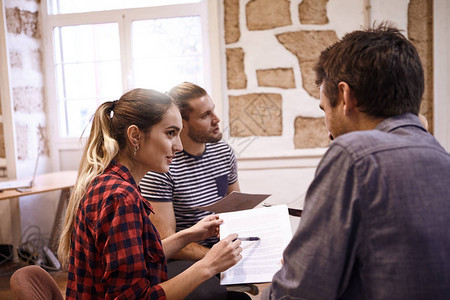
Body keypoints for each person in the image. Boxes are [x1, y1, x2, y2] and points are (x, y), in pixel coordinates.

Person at [262, 23, 450, 299]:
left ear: (346, 96)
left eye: (325, 109)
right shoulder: (441, 157)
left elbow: (299, 291)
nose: (328, 130)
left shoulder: (354, 154)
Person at [57, 88, 243, 299]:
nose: (179, 146)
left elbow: (139, 256)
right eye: (171, 133)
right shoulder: (121, 198)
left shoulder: (113, 183)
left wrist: (189, 234)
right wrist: (208, 266)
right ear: (135, 136)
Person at [139, 82, 247, 299]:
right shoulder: (162, 164)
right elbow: (166, 241)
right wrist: (214, 258)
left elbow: (237, 209)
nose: (216, 119)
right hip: (179, 258)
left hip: (218, 249)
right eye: (206, 115)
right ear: (182, 124)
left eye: (213, 110)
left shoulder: (223, 152)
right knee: (213, 296)